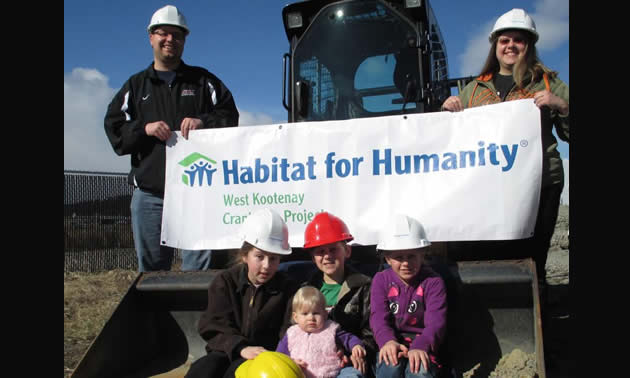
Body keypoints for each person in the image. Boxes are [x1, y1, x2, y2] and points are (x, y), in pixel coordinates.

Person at [440, 8, 569, 299]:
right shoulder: (472, 90)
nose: (511, 45)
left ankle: (537, 324)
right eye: (504, 40)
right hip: (488, 187)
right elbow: (450, 138)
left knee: (532, 257)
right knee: (488, 254)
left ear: (529, 45)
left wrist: (561, 105)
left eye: (518, 40)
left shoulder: (548, 83)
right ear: (495, 46)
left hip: (540, 185)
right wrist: (447, 110)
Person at [104, 5, 239, 272]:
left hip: (196, 193)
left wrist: (204, 121)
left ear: (184, 40)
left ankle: (198, 314)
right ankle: (158, 315)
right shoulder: (136, 86)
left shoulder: (203, 82)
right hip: (150, 196)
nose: (170, 40)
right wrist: (144, 129)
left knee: (200, 271)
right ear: (151, 37)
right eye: (163, 34)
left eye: (177, 35)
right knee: (152, 271)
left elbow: (230, 117)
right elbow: (114, 128)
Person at [185, 209, 299, 378]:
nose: (267, 265)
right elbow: (213, 325)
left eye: (274, 258)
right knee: (204, 369)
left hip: (266, 357)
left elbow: (290, 330)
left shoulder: (288, 288)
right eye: (259, 256)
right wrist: (240, 347)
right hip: (227, 351)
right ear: (245, 255)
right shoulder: (225, 282)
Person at [296, 212, 377, 377]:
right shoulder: (304, 290)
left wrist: (356, 351)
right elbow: (293, 329)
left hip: (347, 363)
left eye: (333, 249)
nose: (327, 256)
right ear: (313, 257)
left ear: (347, 251)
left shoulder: (365, 286)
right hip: (310, 363)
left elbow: (371, 331)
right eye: (320, 251)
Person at [370, 214, 447, 378]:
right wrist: (387, 341)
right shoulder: (380, 280)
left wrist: (421, 345)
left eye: (411, 255)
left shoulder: (433, 282)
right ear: (388, 259)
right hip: (391, 343)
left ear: (422, 254)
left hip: (423, 344)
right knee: (389, 369)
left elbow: (436, 322)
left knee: (419, 371)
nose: (406, 263)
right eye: (399, 257)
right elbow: (378, 318)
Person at [277, 286, 367, 378]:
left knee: (351, 374)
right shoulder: (292, 334)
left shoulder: (331, 329)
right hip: (300, 375)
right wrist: (291, 362)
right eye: (305, 314)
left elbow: (348, 338)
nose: (311, 318)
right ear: (295, 317)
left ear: (325, 314)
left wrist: (356, 346)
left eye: (316, 313)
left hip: (332, 374)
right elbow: (280, 357)